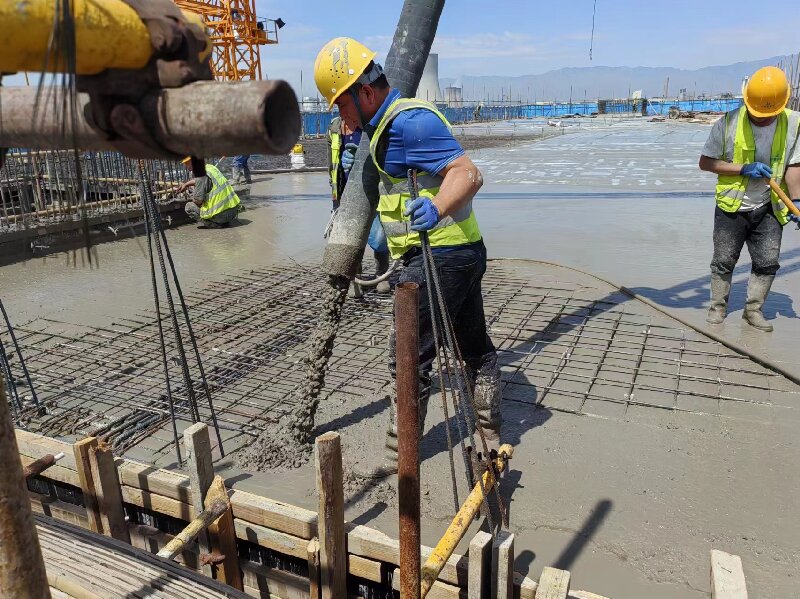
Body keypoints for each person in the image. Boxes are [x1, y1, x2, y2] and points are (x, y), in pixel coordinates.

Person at [314, 38, 502, 477]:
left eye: (341, 105)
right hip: (460, 252)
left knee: (407, 357)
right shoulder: (381, 128)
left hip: (441, 255)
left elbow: (468, 173)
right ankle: (492, 435)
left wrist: (435, 209)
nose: (340, 118)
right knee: (473, 345)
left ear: (364, 93)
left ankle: (401, 458)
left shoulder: (409, 122)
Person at [699, 66, 800, 331]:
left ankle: (753, 311)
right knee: (723, 260)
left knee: (767, 262)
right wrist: (743, 168)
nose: (762, 119)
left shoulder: (794, 123)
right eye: (757, 114)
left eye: (768, 115)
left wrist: (797, 200)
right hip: (732, 205)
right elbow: (706, 162)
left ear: (781, 105)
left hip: (771, 206)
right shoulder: (728, 122)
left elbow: (795, 164)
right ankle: (717, 308)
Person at [327, 116, 392, 293]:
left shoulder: (373, 122)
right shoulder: (335, 127)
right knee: (352, 238)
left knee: (379, 238)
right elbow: (331, 164)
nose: (343, 110)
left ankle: (382, 273)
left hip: (375, 190)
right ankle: (356, 277)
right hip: (347, 191)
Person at [178, 157, 242, 229]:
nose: (186, 166)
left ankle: (214, 225)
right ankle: (223, 221)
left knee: (189, 207)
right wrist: (186, 184)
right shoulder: (210, 168)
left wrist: (194, 195)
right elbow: (201, 180)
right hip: (233, 212)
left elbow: (198, 201)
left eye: (187, 163)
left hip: (221, 216)